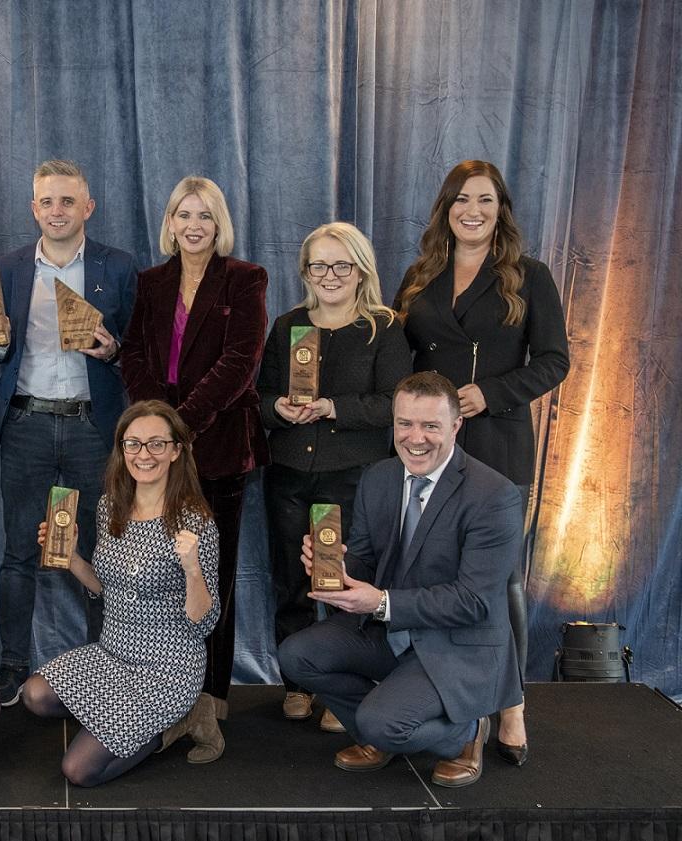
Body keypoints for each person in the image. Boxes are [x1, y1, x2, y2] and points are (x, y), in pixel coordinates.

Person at [395, 161, 570, 766]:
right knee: (433, 574)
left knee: (502, 581)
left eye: (486, 200)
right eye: (461, 199)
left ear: (502, 209)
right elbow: (398, 354)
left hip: (496, 443)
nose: (473, 209)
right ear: (445, 208)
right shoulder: (421, 277)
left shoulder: (530, 277)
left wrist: (489, 393)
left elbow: (554, 361)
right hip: (426, 448)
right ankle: (445, 698)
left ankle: (511, 704)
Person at [277, 372, 522, 789]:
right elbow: (367, 560)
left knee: (381, 723)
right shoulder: (379, 477)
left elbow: (473, 602)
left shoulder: (494, 495)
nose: (416, 438)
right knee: (297, 655)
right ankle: (382, 728)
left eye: (431, 426)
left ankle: (466, 730)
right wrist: (332, 565)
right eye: (405, 423)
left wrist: (381, 603)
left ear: (456, 425)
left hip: (454, 644)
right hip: (393, 635)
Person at [120, 176, 269, 762]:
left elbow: (241, 361)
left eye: (205, 215)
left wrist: (177, 425)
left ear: (219, 223)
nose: (194, 225)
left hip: (219, 447)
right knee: (157, 570)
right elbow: (133, 352)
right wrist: (156, 423)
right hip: (158, 450)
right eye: (184, 213)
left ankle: (210, 698)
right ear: (170, 221)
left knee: (213, 572)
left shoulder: (244, 279)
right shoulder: (151, 283)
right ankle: (161, 690)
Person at [0, 160, 139, 706]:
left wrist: (113, 350)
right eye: (47, 202)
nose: (56, 211)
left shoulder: (117, 267)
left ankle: (108, 662)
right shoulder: (6, 269)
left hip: (92, 428)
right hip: (26, 423)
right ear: (33, 209)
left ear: (87, 208)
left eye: (67, 202)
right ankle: (12, 666)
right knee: (18, 553)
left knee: (103, 552)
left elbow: (135, 347)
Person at [257, 223, 411, 727]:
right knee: (291, 581)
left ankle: (345, 688)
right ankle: (299, 684)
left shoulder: (383, 328)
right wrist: (279, 407)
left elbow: (393, 403)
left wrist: (331, 408)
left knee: (347, 584)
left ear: (361, 270)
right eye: (318, 265)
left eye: (341, 265)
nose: (329, 275)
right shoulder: (287, 325)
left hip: (352, 476)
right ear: (305, 271)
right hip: (288, 473)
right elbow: (257, 400)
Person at [23, 400, 219, 787]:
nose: (143, 455)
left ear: (177, 450)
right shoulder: (110, 506)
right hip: (112, 654)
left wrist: (193, 568)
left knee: (78, 772)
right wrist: (73, 559)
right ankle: (121, 718)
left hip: (166, 670)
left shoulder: (195, 521)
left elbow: (204, 621)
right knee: (35, 695)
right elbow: (107, 587)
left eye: (156, 444)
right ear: (121, 449)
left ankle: (180, 720)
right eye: (133, 444)